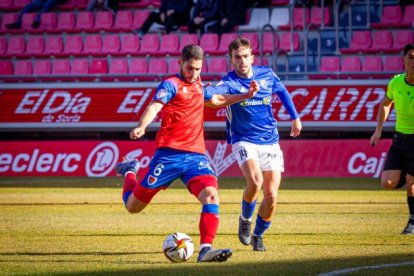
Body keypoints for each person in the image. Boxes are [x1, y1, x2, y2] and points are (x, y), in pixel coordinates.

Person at [115, 44, 259, 262]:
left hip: (195, 158)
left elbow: (219, 100)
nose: (194, 74)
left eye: (198, 69)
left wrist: (246, 95)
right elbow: (155, 106)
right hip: (168, 156)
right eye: (190, 68)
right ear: (180, 63)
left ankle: (205, 249)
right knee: (133, 207)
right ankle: (130, 171)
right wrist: (142, 126)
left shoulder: (200, 87)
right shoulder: (171, 85)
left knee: (211, 195)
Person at [205, 37, 302, 251]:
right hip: (243, 139)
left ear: (252, 57)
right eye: (237, 57)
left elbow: (283, 91)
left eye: (245, 56)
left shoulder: (267, 74)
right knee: (255, 182)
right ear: (231, 60)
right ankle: (245, 219)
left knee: (272, 197)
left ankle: (258, 235)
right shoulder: (229, 82)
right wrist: (205, 90)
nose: (242, 61)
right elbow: (212, 98)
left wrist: (295, 117)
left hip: (270, 140)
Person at [370, 43, 414, 235]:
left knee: (411, 183)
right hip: (400, 140)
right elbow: (386, 103)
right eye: (411, 57)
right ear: (404, 60)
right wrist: (378, 130)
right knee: (387, 183)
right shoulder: (396, 82)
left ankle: (412, 222)